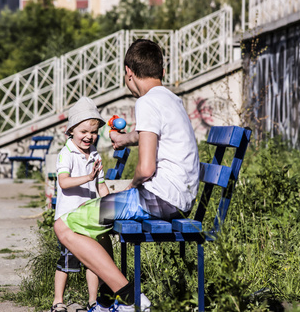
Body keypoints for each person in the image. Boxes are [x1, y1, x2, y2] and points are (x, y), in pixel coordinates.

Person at [54, 39, 200, 312]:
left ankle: (131, 300)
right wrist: (125, 139)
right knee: (93, 221)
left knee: (64, 225)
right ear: (162, 72)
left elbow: (146, 169)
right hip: (180, 198)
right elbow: (151, 135)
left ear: (128, 73)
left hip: (156, 198)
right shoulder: (172, 99)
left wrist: (131, 188)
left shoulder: (145, 103)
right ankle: (110, 299)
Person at [51, 96, 110, 312]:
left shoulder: (94, 154)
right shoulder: (66, 153)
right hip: (69, 221)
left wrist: (110, 203)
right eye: (84, 131)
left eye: (93, 132)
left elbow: (101, 186)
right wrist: (87, 177)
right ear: (71, 131)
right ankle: (58, 300)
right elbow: (64, 182)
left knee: (92, 261)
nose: (89, 136)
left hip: (90, 219)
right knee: (66, 263)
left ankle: (93, 301)